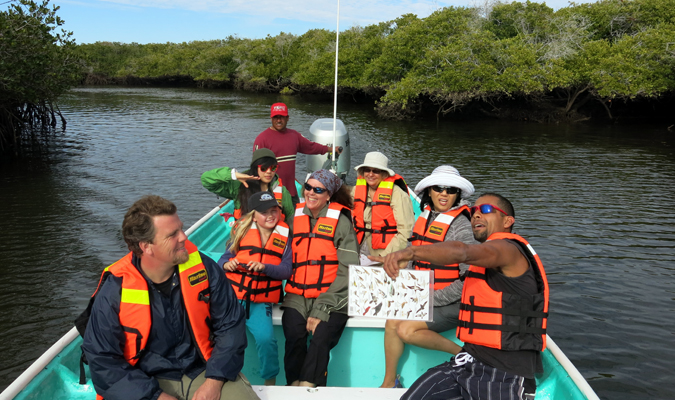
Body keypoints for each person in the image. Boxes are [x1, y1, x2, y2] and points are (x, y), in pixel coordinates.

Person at [372, 193, 549, 400]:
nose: (475, 215)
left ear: (508, 221)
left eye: (485, 210)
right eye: (474, 211)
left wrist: (410, 253)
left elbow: (462, 252)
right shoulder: (487, 256)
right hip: (469, 361)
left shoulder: (509, 250)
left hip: (504, 373)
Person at [80, 195, 258, 400]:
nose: (184, 237)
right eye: (173, 234)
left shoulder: (204, 268)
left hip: (202, 370)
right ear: (146, 246)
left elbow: (230, 325)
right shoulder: (114, 292)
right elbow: (103, 361)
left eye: (181, 228)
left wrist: (214, 381)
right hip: (142, 381)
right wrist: (156, 397)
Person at [380, 165, 479, 388]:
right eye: (438, 188)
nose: (444, 194)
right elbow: (414, 257)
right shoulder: (424, 217)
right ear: (430, 191)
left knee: (406, 329)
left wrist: (431, 299)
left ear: (457, 195)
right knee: (391, 321)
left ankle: (465, 356)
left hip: (454, 301)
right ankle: (389, 382)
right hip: (424, 295)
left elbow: (468, 279)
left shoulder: (460, 225)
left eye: (450, 190)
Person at [281, 169, 359, 387]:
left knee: (321, 336)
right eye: (308, 187)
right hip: (297, 295)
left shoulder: (341, 223)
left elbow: (349, 270)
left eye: (318, 190)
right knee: (294, 336)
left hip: (333, 296)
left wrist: (322, 308)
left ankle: (308, 388)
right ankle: (293, 386)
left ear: (328, 195)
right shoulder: (293, 219)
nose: (311, 193)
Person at [218, 191, 292, 386]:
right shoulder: (241, 231)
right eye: (264, 212)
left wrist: (265, 267)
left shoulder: (285, 236)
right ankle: (221, 378)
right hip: (233, 299)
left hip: (260, 302)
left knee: (266, 340)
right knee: (225, 340)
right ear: (253, 215)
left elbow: (286, 270)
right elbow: (222, 261)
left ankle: (270, 381)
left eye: (274, 211)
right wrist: (228, 265)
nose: (270, 216)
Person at [253, 103, 341, 204]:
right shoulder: (262, 139)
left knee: (294, 219)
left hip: (291, 192)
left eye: (281, 117)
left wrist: (331, 149)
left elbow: (311, 147)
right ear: (271, 118)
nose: (278, 120)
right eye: (275, 117)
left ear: (287, 118)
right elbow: (256, 169)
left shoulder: (294, 136)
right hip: (272, 193)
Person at [201, 148, 294, 226]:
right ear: (255, 168)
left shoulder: (282, 191)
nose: (269, 172)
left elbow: (290, 218)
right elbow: (206, 180)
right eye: (264, 168)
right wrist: (233, 175)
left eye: (273, 168)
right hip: (245, 238)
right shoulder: (239, 186)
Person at [351, 151, 414, 264]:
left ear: (384, 174)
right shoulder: (356, 191)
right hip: (358, 248)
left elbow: (406, 232)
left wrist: (384, 257)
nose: (370, 174)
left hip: (386, 254)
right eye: (367, 170)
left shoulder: (398, 194)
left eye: (376, 171)